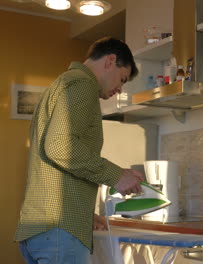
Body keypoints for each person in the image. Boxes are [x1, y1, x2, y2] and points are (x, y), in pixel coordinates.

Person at [15, 37, 144, 263]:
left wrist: (83, 214)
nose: (120, 88)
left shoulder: (60, 85)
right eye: (122, 78)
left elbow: (52, 159)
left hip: (40, 228)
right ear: (110, 60)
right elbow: (60, 146)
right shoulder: (83, 84)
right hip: (59, 232)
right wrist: (117, 176)